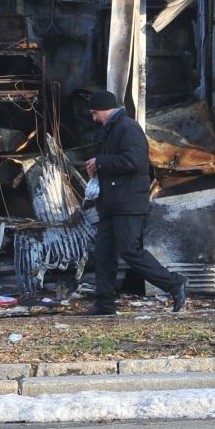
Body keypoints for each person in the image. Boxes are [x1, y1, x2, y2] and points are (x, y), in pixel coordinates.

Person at [83, 87, 188, 316]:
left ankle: (174, 283)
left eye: (94, 113)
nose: (94, 119)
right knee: (104, 254)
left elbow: (134, 161)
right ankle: (104, 304)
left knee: (130, 251)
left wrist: (101, 162)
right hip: (112, 204)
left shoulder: (127, 128)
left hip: (128, 204)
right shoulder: (114, 129)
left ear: (104, 109)